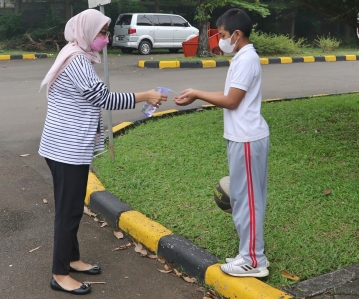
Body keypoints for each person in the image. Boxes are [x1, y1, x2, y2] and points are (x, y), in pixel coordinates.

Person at [39, 9, 167, 295]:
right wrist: (144, 96)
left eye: (106, 32)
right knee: (69, 211)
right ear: (86, 32)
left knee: (68, 207)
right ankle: (59, 274)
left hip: (64, 146)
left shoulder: (74, 53)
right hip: (66, 148)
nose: (105, 38)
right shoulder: (77, 61)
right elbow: (103, 98)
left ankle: (71, 259)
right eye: (101, 33)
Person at [174, 8, 269, 278]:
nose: (221, 40)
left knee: (247, 201)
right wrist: (196, 94)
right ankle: (248, 252)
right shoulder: (242, 57)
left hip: (247, 138)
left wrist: (197, 94)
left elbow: (231, 101)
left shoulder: (246, 59)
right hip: (243, 137)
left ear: (237, 35)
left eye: (224, 35)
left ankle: (253, 260)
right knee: (244, 198)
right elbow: (230, 94)